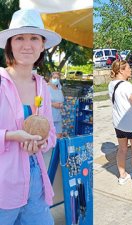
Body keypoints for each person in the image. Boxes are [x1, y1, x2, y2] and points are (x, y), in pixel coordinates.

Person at [0, 9, 61, 224]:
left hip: (35, 184)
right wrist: (10, 136)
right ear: (10, 44)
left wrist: (43, 142)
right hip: (3, 187)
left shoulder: (42, 86)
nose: (27, 45)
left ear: (42, 45)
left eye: (34, 38)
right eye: (20, 38)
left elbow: (51, 133)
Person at [48, 72, 64, 138]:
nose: (56, 79)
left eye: (57, 78)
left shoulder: (59, 90)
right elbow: (40, 102)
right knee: (48, 138)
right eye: (54, 78)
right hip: (48, 118)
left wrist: (61, 105)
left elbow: (62, 101)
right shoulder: (46, 88)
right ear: (50, 78)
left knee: (58, 137)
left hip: (58, 118)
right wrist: (52, 104)